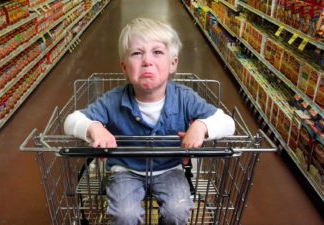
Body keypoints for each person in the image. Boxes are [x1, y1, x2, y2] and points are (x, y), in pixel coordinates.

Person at [64, 17, 235, 225]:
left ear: (173, 64)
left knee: (178, 210)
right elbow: (71, 120)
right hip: (125, 170)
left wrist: (202, 126)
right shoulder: (112, 100)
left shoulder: (185, 98)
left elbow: (227, 122)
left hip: (170, 168)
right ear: (124, 67)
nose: (147, 60)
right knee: (124, 215)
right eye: (137, 53)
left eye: (157, 52)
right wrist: (93, 127)